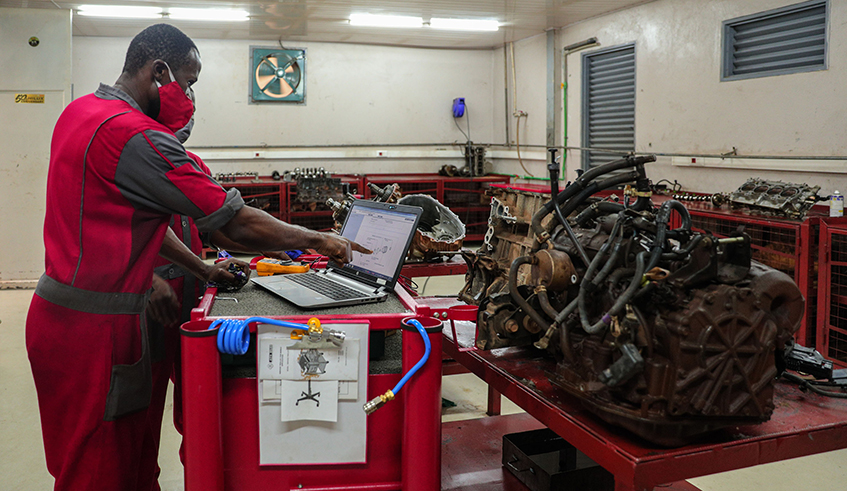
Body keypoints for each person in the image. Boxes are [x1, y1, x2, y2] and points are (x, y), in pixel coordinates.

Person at [26, 23, 370, 491]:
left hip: (61, 319)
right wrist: (317, 240)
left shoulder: (81, 112)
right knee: (101, 473)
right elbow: (233, 224)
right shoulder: (137, 136)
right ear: (160, 71)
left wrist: (202, 269)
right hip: (99, 333)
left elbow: (135, 223)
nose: (189, 97)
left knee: (123, 461)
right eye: (188, 83)